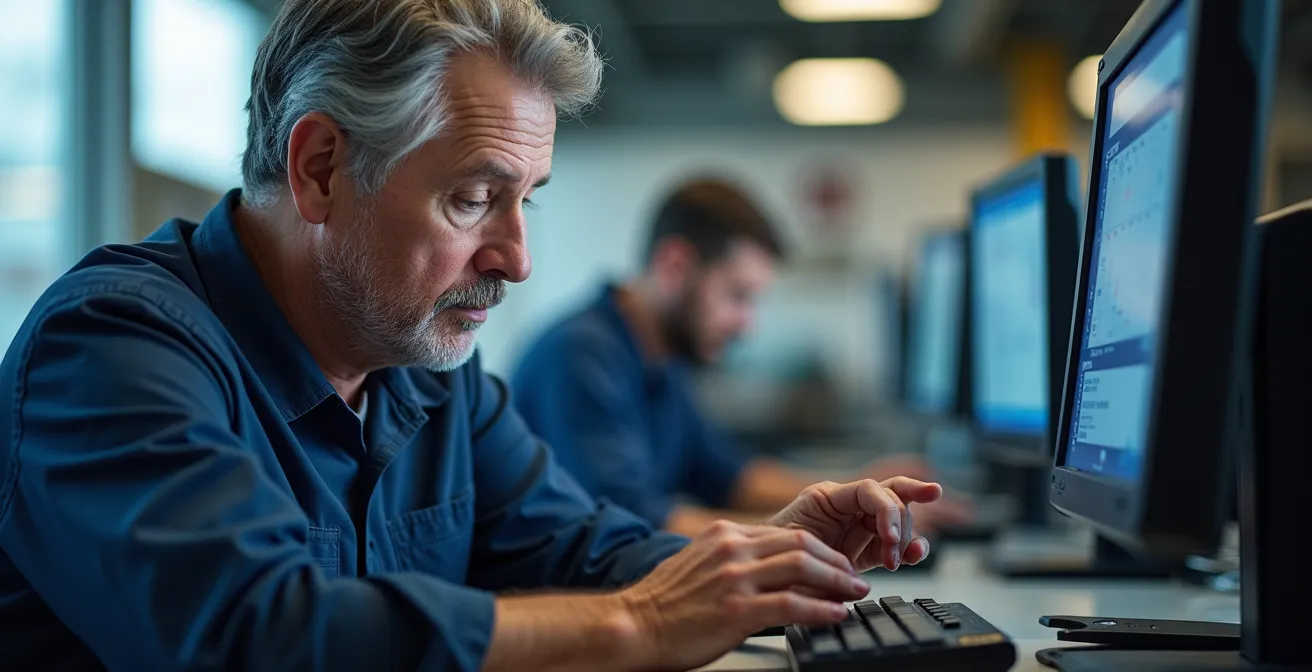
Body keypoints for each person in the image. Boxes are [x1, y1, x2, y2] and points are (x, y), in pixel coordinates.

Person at [0, 1, 945, 670]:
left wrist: (764, 559)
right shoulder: (113, 347)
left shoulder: (429, 371)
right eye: (475, 199)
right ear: (322, 167)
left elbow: (582, 548)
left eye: (525, 200)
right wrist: (640, 626)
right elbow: (263, 636)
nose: (518, 259)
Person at [513, 178, 976, 537]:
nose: (747, 324)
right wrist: (811, 532)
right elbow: (635, 524)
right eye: (738, 296)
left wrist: (858, 489)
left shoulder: (658, 357)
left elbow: (733, 477)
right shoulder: (581, 357)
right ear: (676, 266)